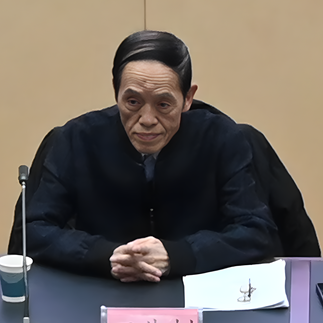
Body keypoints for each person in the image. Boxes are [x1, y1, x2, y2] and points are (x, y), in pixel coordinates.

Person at [21, 30, 282, 282]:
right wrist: (107, 255)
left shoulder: (222, 138)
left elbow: (257, 232)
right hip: (101, 289)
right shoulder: (76, 138)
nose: (147, 120)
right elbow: (32, 232)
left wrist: (176, 255)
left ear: (188, 98)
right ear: (115, 90)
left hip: (197, 292)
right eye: (133, 102)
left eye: (163, 105)